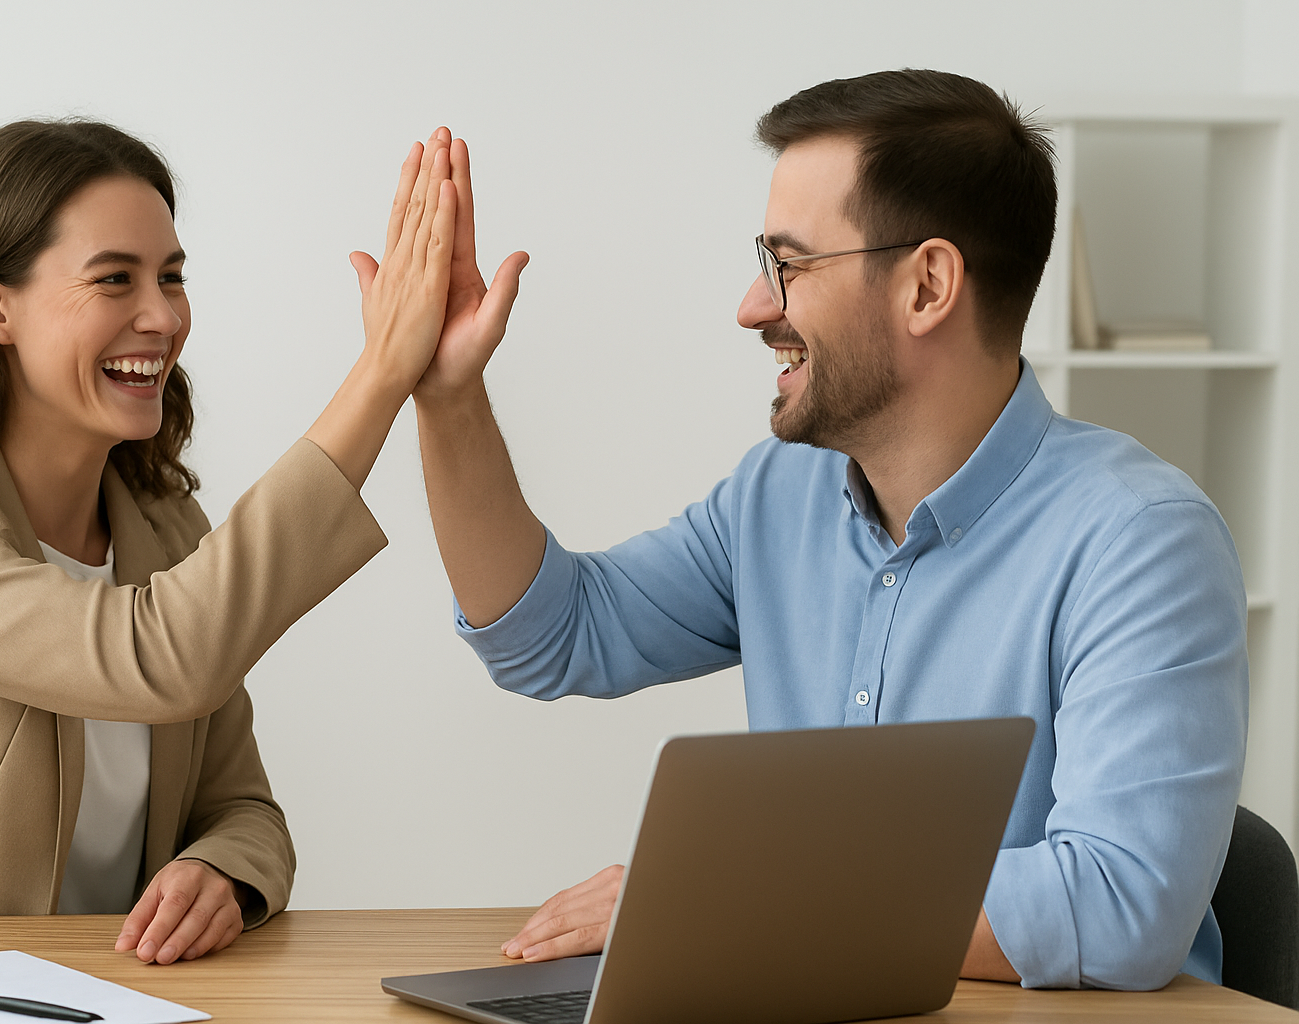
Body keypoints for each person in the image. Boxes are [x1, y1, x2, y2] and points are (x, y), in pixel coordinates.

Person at [412, 72, 1248, 990]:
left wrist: (730, 900)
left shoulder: (1141, 542)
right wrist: (449, 396)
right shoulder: (779, 496)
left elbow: (1121, 907)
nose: (752, 306)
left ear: (928, 285)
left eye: (790, 265)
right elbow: (549, 635)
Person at [0, 119, 462, 965]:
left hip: (103, 993)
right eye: (114, 279)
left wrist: (221, 870)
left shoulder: (165, 529)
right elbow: (157, 655)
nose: (163, 316)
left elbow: (244, 809)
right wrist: (381, 375)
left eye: (172, 277)